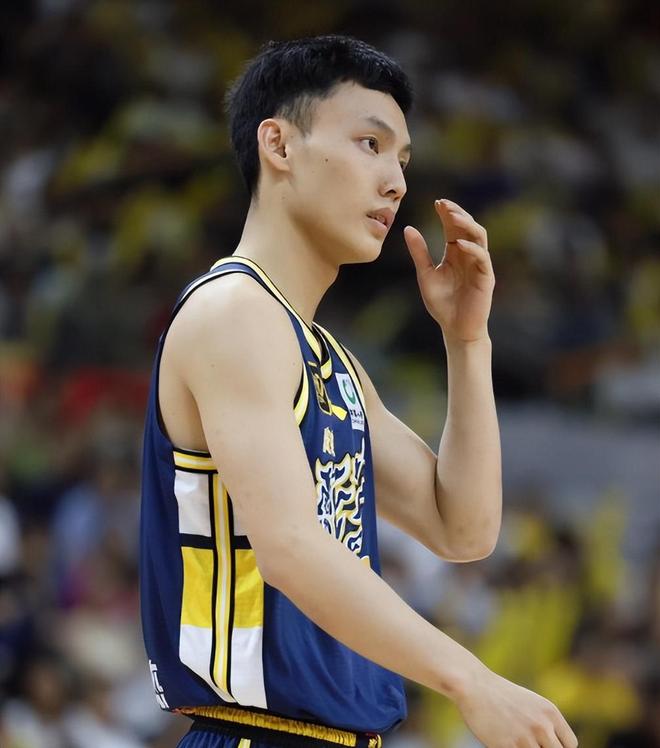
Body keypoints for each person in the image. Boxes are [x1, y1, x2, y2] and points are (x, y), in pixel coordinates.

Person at [140, 35, 579, 748]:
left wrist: (468, 342)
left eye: (402, 160)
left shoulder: (326, 356)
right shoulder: (234, 313)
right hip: (258, 732)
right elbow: (289, 546)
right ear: (279, 145)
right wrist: (471, 680)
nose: (396, 182)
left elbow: (462, 529)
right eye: (370, 145)